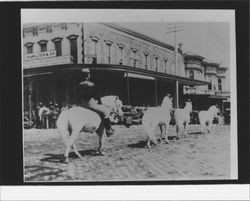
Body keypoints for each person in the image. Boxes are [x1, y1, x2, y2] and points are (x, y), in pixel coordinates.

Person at [77, 68, 114, 137]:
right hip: (90, 104)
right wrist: (99, 103)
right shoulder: (91, 84)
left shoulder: (79, 84)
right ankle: (109, 130)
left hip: (82, 104)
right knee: (105, 111)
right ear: (88, 75)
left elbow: (77, 96)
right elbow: (96, 96)